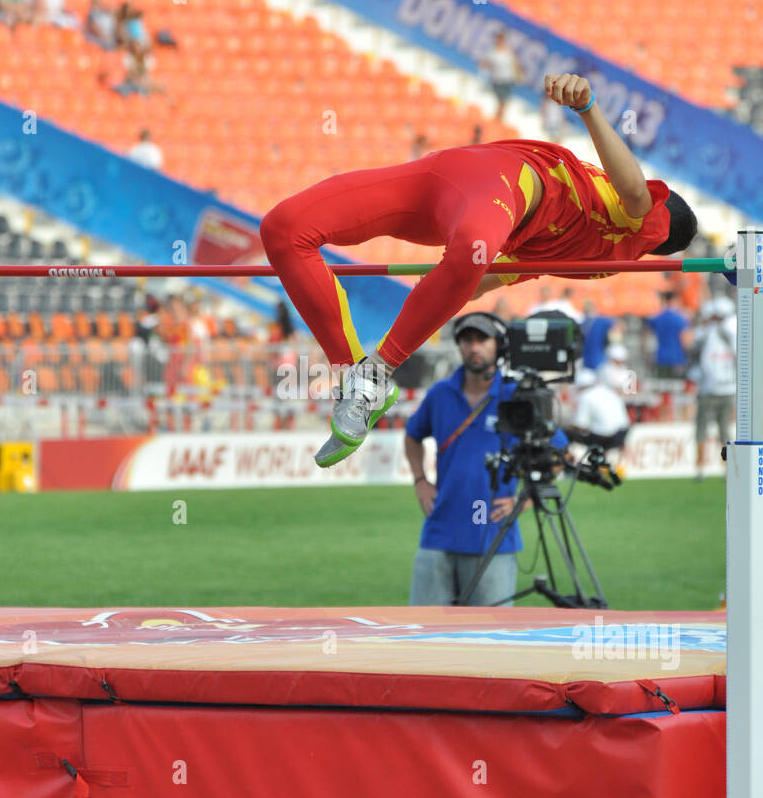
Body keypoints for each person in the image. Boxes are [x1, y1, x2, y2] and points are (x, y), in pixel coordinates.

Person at [259, 72, 698, 469]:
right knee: (284, 228)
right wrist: (587, 107)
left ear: (654, 238)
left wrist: (447, 286)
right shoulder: (629, 212)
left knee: (472, 252)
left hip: (494, 197)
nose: (642, 206)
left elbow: (483, 280)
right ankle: (358, 375)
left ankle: (374, 375)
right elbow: (637, 191)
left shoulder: (611, 250)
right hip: (446, 180)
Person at [405, 311, 567, 606]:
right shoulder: (440, 393)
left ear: (500, 346)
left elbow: (559, 453)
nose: (474, 347)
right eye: (467, 340)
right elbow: (412, 434)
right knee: (422, 635)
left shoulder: (519, 396)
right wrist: (420, 480)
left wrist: (528, 498)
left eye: (482, 339)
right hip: (439, 533)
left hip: (494, 536)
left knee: (492, 640)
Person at [689, 297, 735, 478]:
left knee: (704, 429)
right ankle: (724, 470)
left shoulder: (706, 332)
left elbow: (693, 351)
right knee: (724, 431)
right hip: (727, 389)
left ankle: (701, 469)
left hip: (709, 389)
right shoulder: (734, 330)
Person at [568, 367, 630, 459]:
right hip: (622, 433)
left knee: (567, 434)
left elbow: (580, 424)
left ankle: (567, 462)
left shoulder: (585, 396)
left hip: (604, 437)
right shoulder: (609, 391)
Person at [646, 288, 690, 378]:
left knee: (662, 387)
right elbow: (685, 340)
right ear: (674, 300)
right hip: (677, 359)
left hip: (660, 358)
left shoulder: (657, 318)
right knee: (677, 388)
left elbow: (647, 336)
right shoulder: (680, 318)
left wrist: (649, 355)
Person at [483, 30, 522, 122]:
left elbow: (515, 64)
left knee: (503, 101)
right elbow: (485, 64)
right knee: (499, 100)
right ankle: (497, 119)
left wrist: (518, 75)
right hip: (497, 79)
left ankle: (499, 119)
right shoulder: (492, 52)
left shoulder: (508, 51)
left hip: (506, 80)